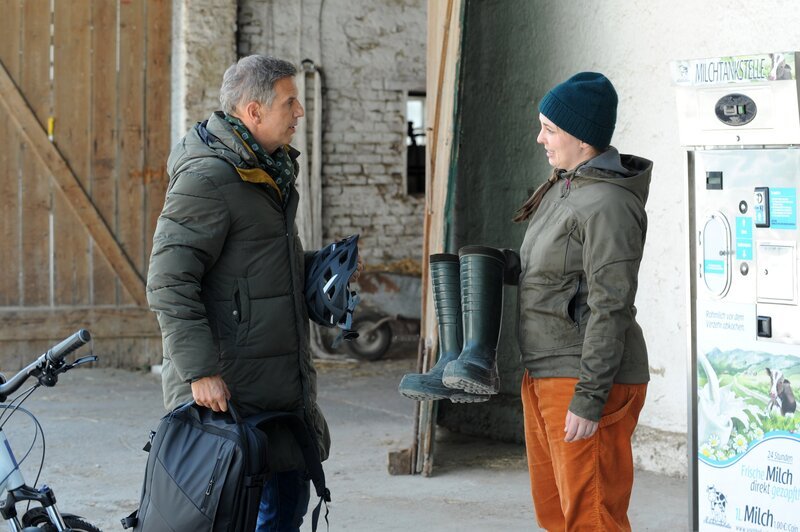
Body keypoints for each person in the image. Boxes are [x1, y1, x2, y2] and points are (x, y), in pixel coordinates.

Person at [146, 55, 360, 532]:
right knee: (241, 516)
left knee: (285, 511)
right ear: (253, 111)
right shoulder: (208, 179)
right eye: (290, 102)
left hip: (277, 391)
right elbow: (168, 281)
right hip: (229, 395)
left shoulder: (268, 172)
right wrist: (200, 371)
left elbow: (255, 270)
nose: (299, 111)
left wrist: (321, 273)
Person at [508, 72, 652, 531]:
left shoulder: (609, 203)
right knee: (557, 515)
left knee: (590, 519)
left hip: (584, 378)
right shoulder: (565, 186)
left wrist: (590, 398)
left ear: (583, 139)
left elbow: (612, 305)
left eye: (549, 129)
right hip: (546, 371)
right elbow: (558, 273)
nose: (540, 138)